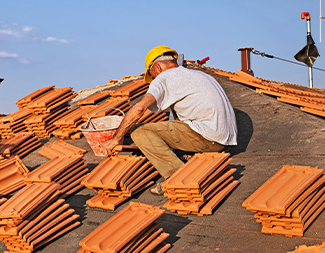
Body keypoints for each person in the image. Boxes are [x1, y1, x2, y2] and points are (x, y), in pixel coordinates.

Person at [99, 45, 237, 193]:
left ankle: (177, 178)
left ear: (157, 68)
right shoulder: (200, 75)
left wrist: (116, 138)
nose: (153, 80)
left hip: (210, 139)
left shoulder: (164, 78)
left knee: (139, 132)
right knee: (176, 121)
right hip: (227, 141)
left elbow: (140, 108)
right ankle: (190, 160)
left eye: (152, 76)